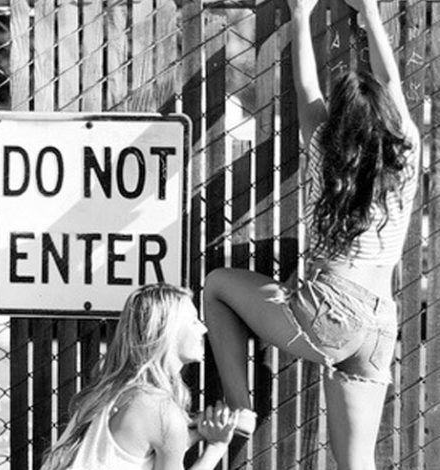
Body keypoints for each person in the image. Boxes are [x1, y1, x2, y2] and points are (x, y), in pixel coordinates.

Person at [203, 0, 420, 469]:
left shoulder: (325, 151)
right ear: (386, 117)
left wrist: (300, 15)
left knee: (217, 285)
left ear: (341, 122)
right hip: (380, 325)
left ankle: (241, 408)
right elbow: (391, 83)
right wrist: (370, 13)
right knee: (356, 464)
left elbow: (307, 89)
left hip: (331, 311)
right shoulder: (406, 155)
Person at [41, 283, 238, 470]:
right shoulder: (162, 411)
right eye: (194, 321)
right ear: (169, 331)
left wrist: (189, 436)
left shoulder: (105, 393)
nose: (203, 329)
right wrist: (217, 445)